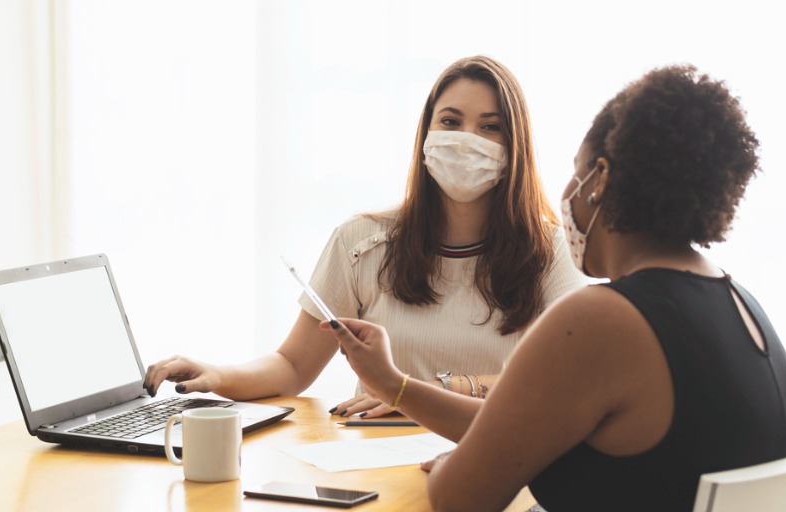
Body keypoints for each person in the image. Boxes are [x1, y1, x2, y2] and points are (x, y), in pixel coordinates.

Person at [324, 64, 786, 511]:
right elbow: (520, 431)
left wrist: (458, 454)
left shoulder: (603, 318)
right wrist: (397, 386)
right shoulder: (739, 303)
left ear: (598, 179)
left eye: (574, 169)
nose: (566, 192)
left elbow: (458, 498)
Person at [143, 56, 587, 419]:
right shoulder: (362, 241)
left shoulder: (550, 252)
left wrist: (423, 392)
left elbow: (564, 381)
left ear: (515, 147)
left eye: (489, 127)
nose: (466, 139)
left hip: (491, 463)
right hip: (371, 462)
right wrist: (217, 375)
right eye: (450, 121)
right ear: (426, 137)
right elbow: (293, 366)